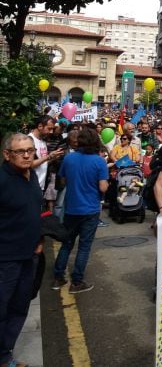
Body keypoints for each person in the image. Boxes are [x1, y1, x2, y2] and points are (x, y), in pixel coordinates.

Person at [0, 134, 44, 367]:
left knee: (20, 307)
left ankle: (5, 355)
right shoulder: (3, 180)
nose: (27, 155)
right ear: (7, 155)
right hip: (6, 260)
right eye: (20, 151)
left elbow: (31, 211)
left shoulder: (31, 175)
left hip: (30, 256)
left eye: (30, 150)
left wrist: (38, 241)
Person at [52, 128, 109, 294]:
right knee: (84, 246)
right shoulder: (99, 162)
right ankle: (76, 282)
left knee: (67, 243)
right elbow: (103, 187)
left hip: (71, 208)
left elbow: (62, 179)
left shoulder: (69, 158)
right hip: (90, 209)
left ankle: (58, 277)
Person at [30, 115, 64, 192]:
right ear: (40, 126)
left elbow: (42, 163)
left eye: (52, 129)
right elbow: (30, 164)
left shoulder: (43, 141)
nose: (51, 132)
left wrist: (53, 157)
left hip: (41, 186)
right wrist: (49, 156)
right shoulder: (29, 140)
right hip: (31, 186)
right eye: (49, 129)